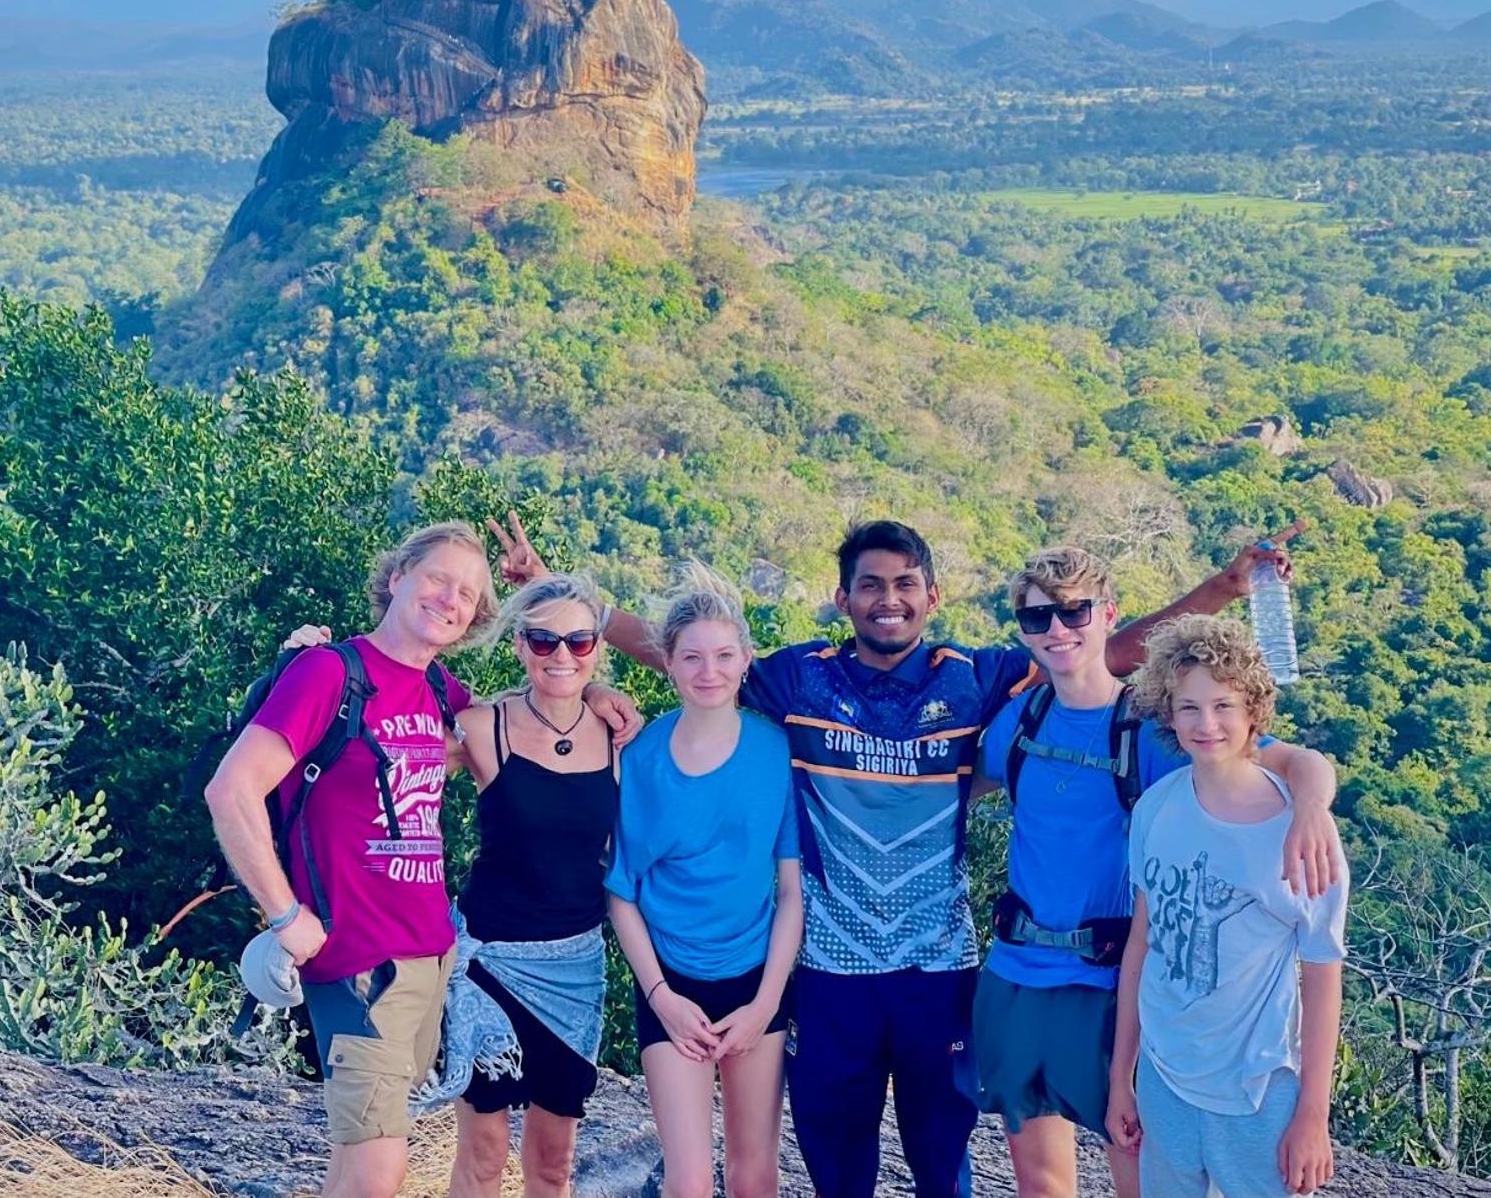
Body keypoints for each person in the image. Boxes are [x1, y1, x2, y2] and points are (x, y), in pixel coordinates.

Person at [492, 513, 1338, 1198]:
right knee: (837, 1164)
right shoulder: (796, 678)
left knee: (943, 1164)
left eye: (904, 584)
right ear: (843, 598)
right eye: (870, 585)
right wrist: (562, 607)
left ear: (931, 594)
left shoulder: (973, 676)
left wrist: (1225, 590)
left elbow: (1107, 653)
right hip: (829, 973)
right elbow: (684, 651)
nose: (887, 599)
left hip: (940, 969)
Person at [205, 523, 638, 1198]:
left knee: (359, 1165)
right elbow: (231, 789)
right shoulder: (329, 672)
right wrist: (286, 914)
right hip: (356, 960)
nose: (451, 598)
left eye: (467, 592)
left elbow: (553, 669)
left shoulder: (440, 691)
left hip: (431, 959)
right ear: (398, 574)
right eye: (439, 577)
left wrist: (591, 690)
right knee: (380, 1173)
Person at [968, 548, 1340, 1198]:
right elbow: (955, 786)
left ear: (1108, 615)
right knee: (1039, 1179)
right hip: (1017, 969)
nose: (1057, 629)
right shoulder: (1018, 720)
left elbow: (1297, 760)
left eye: (1075, 610)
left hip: (1114, 981)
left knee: (1135, 1168)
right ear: (1023, 629)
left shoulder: (1154, 732)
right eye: (1038, 617)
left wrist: (1310, 807)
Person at [1106, 614, 1348, 1198]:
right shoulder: (1156, 809)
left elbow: (1322, 974)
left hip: (1256, 1088)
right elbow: (1142, 946)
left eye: (1223, 706)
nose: (1206, 723)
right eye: (1188, 707)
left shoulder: (1301, 831)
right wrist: (1122, 1078)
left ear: (1253, 712)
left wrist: (1313, 1115)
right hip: (1165, 1075)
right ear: (1167, 710)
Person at [605, 566, 803, 1198]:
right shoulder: (640, 758)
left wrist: (767, 1003)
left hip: (755, 983)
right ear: (668, 662)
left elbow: (791, 890)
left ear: (746, 660)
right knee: (688, 1181)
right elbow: (622, 892)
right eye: (691, 656)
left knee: (755, 1174)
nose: (708, 671)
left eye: (723, 655)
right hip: (671, 984)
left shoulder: (777, 752)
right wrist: (660, 995)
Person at [433, 575, 620, 1198]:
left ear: (597, 646)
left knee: (553, 1163)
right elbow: (384, 749)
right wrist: (311, 663)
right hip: (489, 965)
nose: (561, 655)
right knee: (483, 1159)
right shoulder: (483, 727)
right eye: (543, 641)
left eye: (578, 640)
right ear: (519, 646)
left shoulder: (623, 738)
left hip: (575, 970)